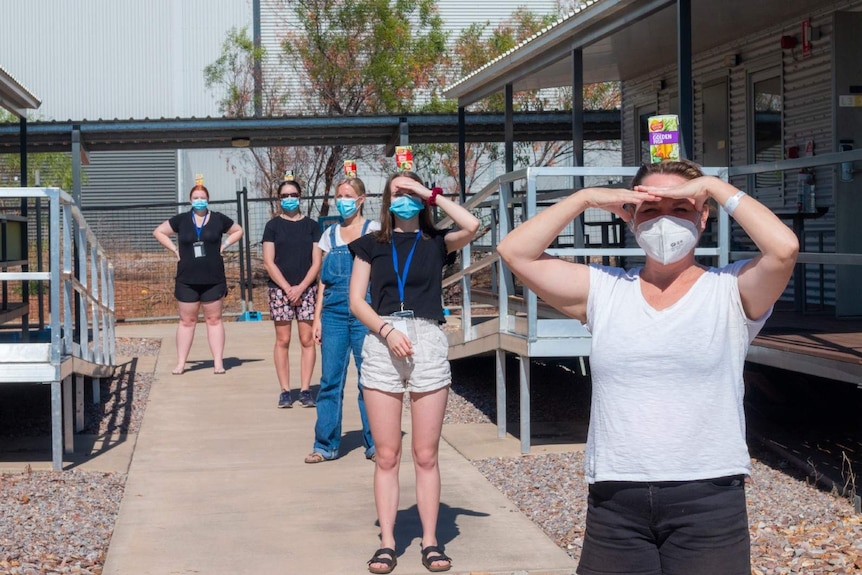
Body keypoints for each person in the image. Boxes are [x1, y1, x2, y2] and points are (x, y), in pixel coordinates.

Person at [496, 159, 799, 575]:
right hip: (615, 502)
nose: (666, 221)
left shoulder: (731, 290)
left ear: (703, 216)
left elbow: (783, 249)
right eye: (651, 210)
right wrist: (585, 197)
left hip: (708, 498)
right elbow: (514, 251)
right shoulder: (604, 290)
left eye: (680, 208)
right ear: (632, 219)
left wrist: (714, 185)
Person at [349, 172, 479, 574]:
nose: (403, 198)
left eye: (410, 192)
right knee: (387, 455)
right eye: (397, 192)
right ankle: (387, 542)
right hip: (384, 341)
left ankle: (430, 541)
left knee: (426, 454)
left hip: (427, 341)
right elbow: (356, 301)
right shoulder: (371, 245)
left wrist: (429, 195)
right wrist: (386, 332)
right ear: (386, 200)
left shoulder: (437, 242)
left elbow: (472, 226)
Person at [305, 177, 379, 463]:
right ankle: (325, 445)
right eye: (339, 195)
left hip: (366, 314)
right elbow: (322, 282)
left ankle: (375, 443)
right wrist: (317, 318)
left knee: (369, 380)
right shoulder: (329, 235)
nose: (342, 201)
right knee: (329, 382)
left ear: (361, 199)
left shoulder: (374, 231)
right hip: (333, 315)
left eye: (348, 195)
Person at [153, 180, 244, 375]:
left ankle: (218, 363)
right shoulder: (182, 220)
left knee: (214, 319)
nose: (199, 201)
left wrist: (225, 245)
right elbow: (159, 232)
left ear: (208, 199)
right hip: (187, 279)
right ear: (190, 200)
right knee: (187, 321)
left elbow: (238, 230)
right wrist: (174, 249)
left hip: (213, 279)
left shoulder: (219, 219)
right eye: (196, 198)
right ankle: (181, 363)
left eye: (203, 198)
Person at [262, 176, 322, 408]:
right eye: (284, 196)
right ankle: (285, 390)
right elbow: (269, 262)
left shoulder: (312, 226)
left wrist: (302, 287)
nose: (289, 199)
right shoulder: (272, 226)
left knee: (307, 339)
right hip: (280, 291)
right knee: (283, 339)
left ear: (300, 196)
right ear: (279, 199)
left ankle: (306, 389)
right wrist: (287, 288)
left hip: (306, 290)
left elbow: (316, 262)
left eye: (293, 195)